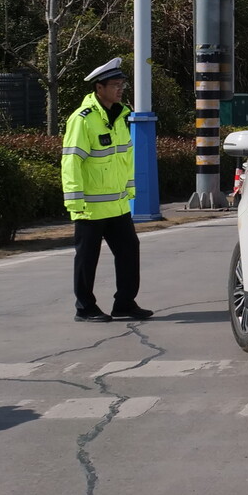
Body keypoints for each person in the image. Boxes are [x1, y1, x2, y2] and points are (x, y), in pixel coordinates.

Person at [61, 58, 152, 322]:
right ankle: (85, 307)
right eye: (115, 85)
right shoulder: (82, 119)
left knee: (129, 251)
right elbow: (71, 161)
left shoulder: (121, 117)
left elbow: (125, 159)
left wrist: (129, 191)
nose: (120, 89)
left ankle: (124, 304)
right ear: (99, 88)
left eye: (122, 84)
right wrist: (74, 201)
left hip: (117, 204)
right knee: (87, 258)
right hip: (90, 206)